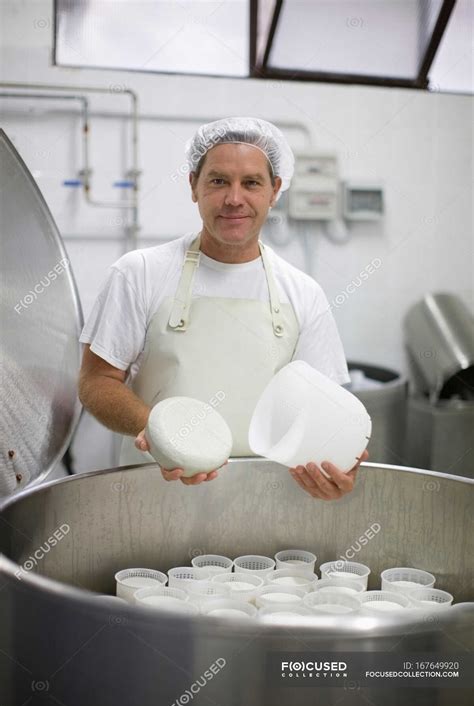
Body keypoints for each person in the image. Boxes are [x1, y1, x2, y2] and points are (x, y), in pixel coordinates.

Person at [78, 117, 368, 499]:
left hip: (265, 502)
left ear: (274, 190)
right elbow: (95, 382)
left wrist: (334, 469)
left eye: (251, 183)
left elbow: (322, 414)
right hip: (153, 493)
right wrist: (162, 433)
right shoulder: (140, 273)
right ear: (193, 186)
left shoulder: (303, 293)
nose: (234, 199)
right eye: (218, 181)